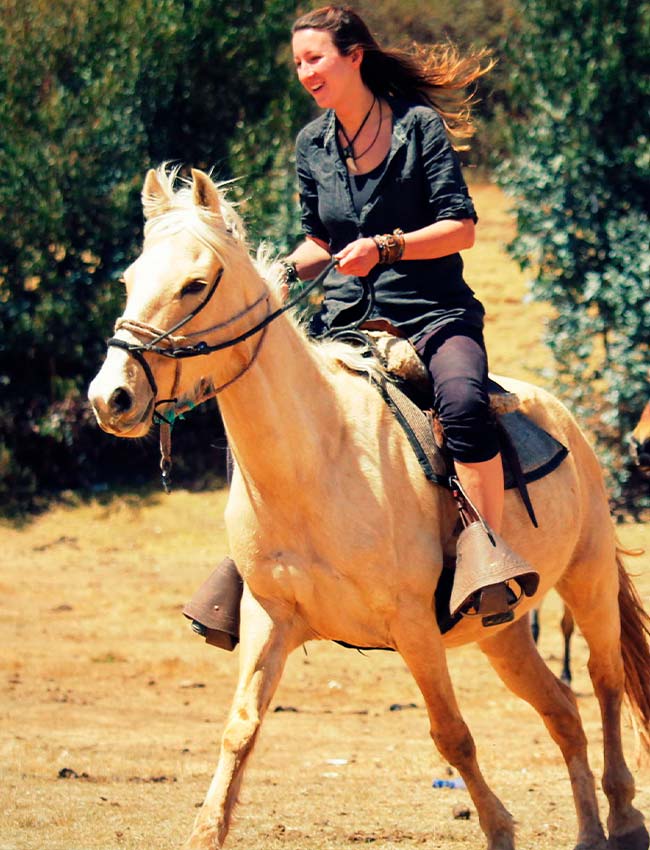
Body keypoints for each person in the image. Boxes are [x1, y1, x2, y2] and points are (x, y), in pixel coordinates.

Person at [183, 5, 531, 649]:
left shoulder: (418, 127)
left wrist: (388, 247)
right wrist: (286, 267)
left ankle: (485, 556)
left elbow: (462, 228)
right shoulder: (311, 144)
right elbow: (322, 236)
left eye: (315, 59)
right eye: (297, 64)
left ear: (354, 57)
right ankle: (249, 561)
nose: (305, 72)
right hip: (344, 318)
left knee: (461, 403)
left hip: (432, 311)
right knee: (268, 411)